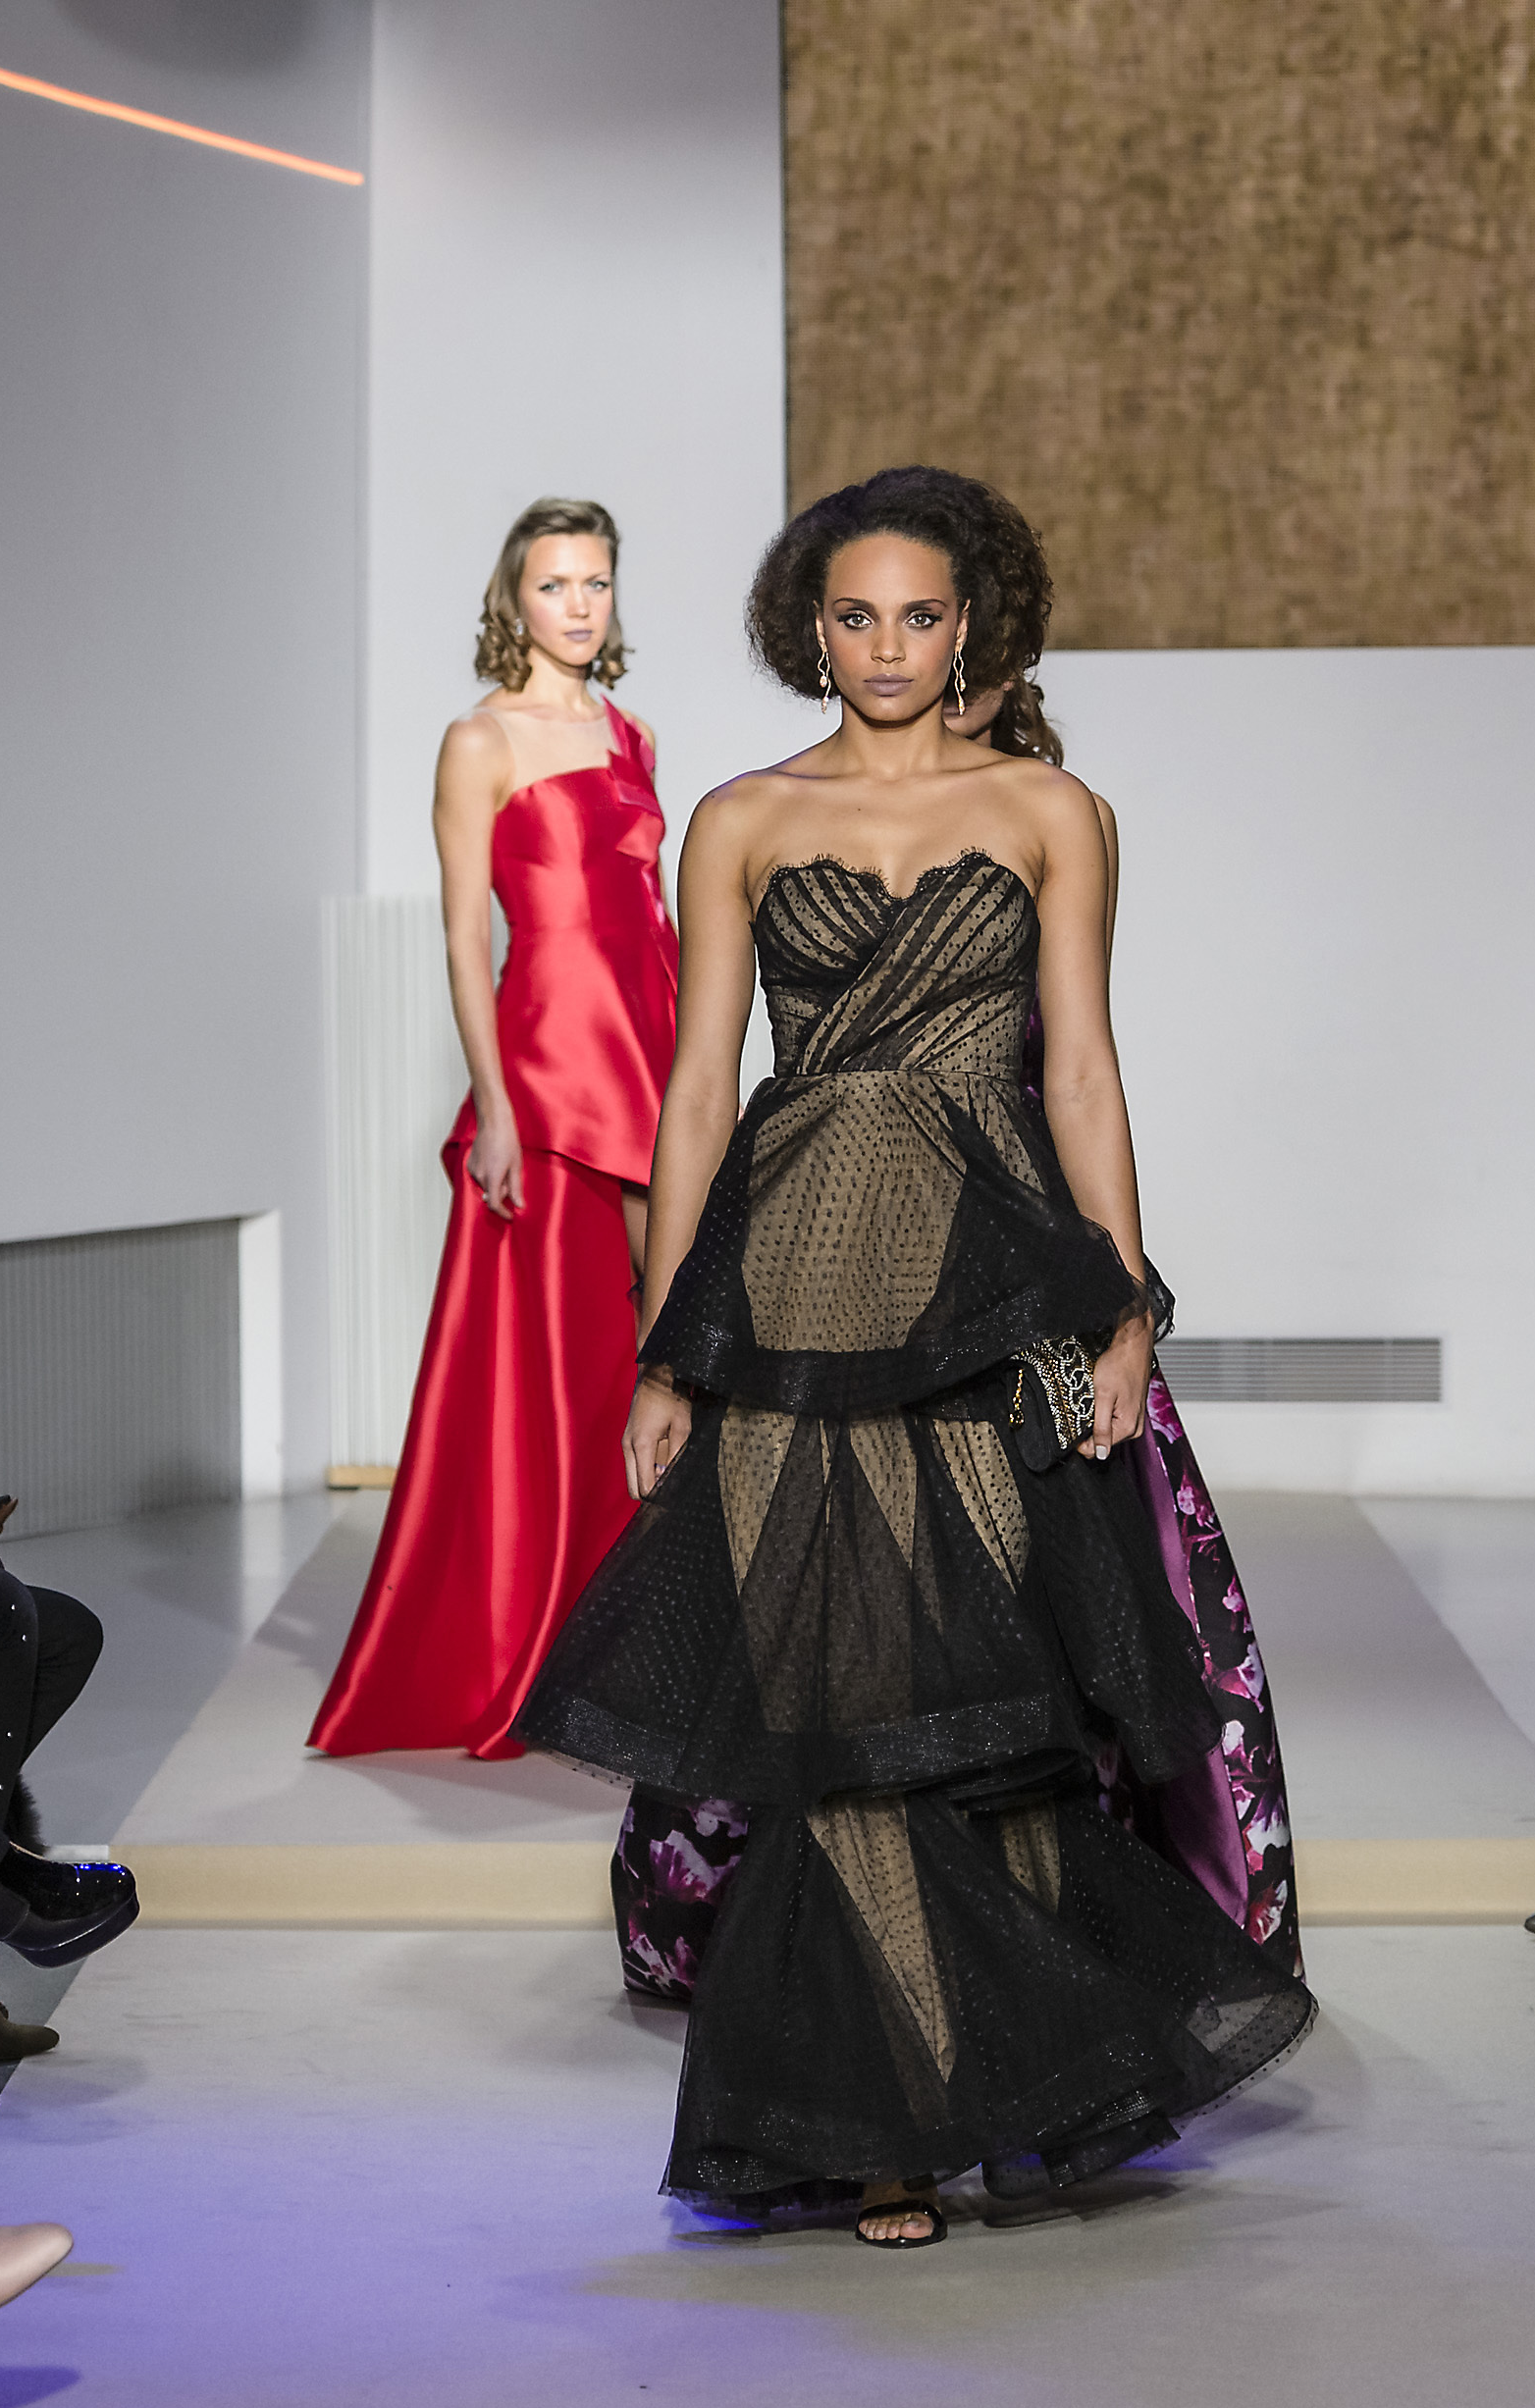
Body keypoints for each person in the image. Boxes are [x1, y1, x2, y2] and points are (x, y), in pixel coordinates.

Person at [511, 468, 1310, 2249]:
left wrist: (1125, 1308)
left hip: (985, 1291)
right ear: (810, 626)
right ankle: (886, 2118)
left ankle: (1000, 2074)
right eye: (855, 615)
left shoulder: (1052, 810)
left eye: (920, 616)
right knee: (834, 1703)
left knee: (988, 1700)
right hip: (793, 1297)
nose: (886, 647)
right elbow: (698, 1094)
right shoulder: (739, 817)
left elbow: (1080, 1071)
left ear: (972, 630)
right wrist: (667, 1352)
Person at [312, 498, 681, 1758]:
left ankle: (646, 1649)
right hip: (550, 1072)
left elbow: (650, 917)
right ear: (513, 599)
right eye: (554, 584)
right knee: (556, 1369)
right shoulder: (479, 740)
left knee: (657, 1347)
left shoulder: (632, 732)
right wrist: (498, 1105)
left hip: (649, 1052)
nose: (578, 604)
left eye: (595, 582)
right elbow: (468, 937)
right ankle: (535, 1650)